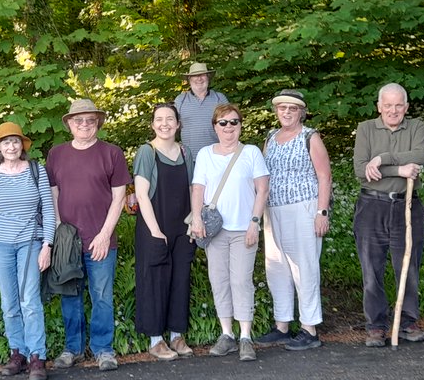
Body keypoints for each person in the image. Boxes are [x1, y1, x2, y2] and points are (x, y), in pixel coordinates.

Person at [45, 98, 131, 371]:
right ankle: (73, 348)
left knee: (102, 296)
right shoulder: (56, 154)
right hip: (68, 240)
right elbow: (53, 193)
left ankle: (103, 349)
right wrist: (60, 229)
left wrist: (105, 234)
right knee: (70, 294)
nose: (84, 125)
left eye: (90, 120)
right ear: (69, 124)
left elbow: (119, 197)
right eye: (78, 120)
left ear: (98, 123)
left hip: (100, 239)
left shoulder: (112, 153)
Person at [189, 104, 269, 362]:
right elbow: (198, 189)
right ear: (215, 127)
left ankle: (245, 335)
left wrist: (254, 222)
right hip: (215, 231)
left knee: (241, 281)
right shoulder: (205, 154)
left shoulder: (252, 153)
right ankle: (227, 335)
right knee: (219, 280)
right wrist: (197, 219)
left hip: (243, 228)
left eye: (233, 122)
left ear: (240, 125)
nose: (228, 128)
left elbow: (262, 190)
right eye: (223, 123)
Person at [353, 83, 424, 347]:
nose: (393, 110)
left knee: (407, 267)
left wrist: (382, 158)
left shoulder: (416, 127)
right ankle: (376, 326)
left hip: (407, 206)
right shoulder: (366, 129)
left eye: (398, 105)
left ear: (406, 107)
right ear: (379, 107)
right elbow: (361, 169)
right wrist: (398, 170)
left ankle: (408, 322)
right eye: (388, 105)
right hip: (371, 206)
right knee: (371, 269)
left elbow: (420, 156)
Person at [0, 122, 55, 380]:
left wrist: (48, 244)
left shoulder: (36, 171)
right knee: (9, 303)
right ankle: (17, 353)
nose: (11, 146)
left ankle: (37, 356)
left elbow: (48, 208)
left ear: (22, 145)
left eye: (15, 141)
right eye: (5, 142)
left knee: (30, 301)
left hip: (30, 241)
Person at [257, 90, 332, 352]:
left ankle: (310, 329)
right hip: (273, 209)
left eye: (292, 108)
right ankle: (282, 326)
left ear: (301, 111)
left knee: (304, 267)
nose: (287, 112)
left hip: (303, 208)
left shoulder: (310, 137)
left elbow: (324, 176)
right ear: (276, 111)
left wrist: (322, 212)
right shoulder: (270, 138)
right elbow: (263, 174)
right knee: (276, 268)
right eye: (282, 108)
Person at [133, 103, 196, 361]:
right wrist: (156, 231)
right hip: (154, 228)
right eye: (159, 119)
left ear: (178, 124)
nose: (165, 123)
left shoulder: (185, 151)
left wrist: (195, 220)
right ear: (152, 124)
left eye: (170, 119)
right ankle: (156, 339)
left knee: (180, 280)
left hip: (183, 228)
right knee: (154, 282)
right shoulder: (147, 152)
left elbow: (193, 188)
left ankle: (176, 336)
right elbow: (141, 194)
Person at [175, 62, 230, 159]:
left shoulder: (220, 98)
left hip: (217, 157)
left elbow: (230, 127)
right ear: (189, 79)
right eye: (195, 75)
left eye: (202, 75)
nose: (199, 78)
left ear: (208, 77)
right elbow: (171, 128)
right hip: (189, 159)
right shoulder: (180, 100)